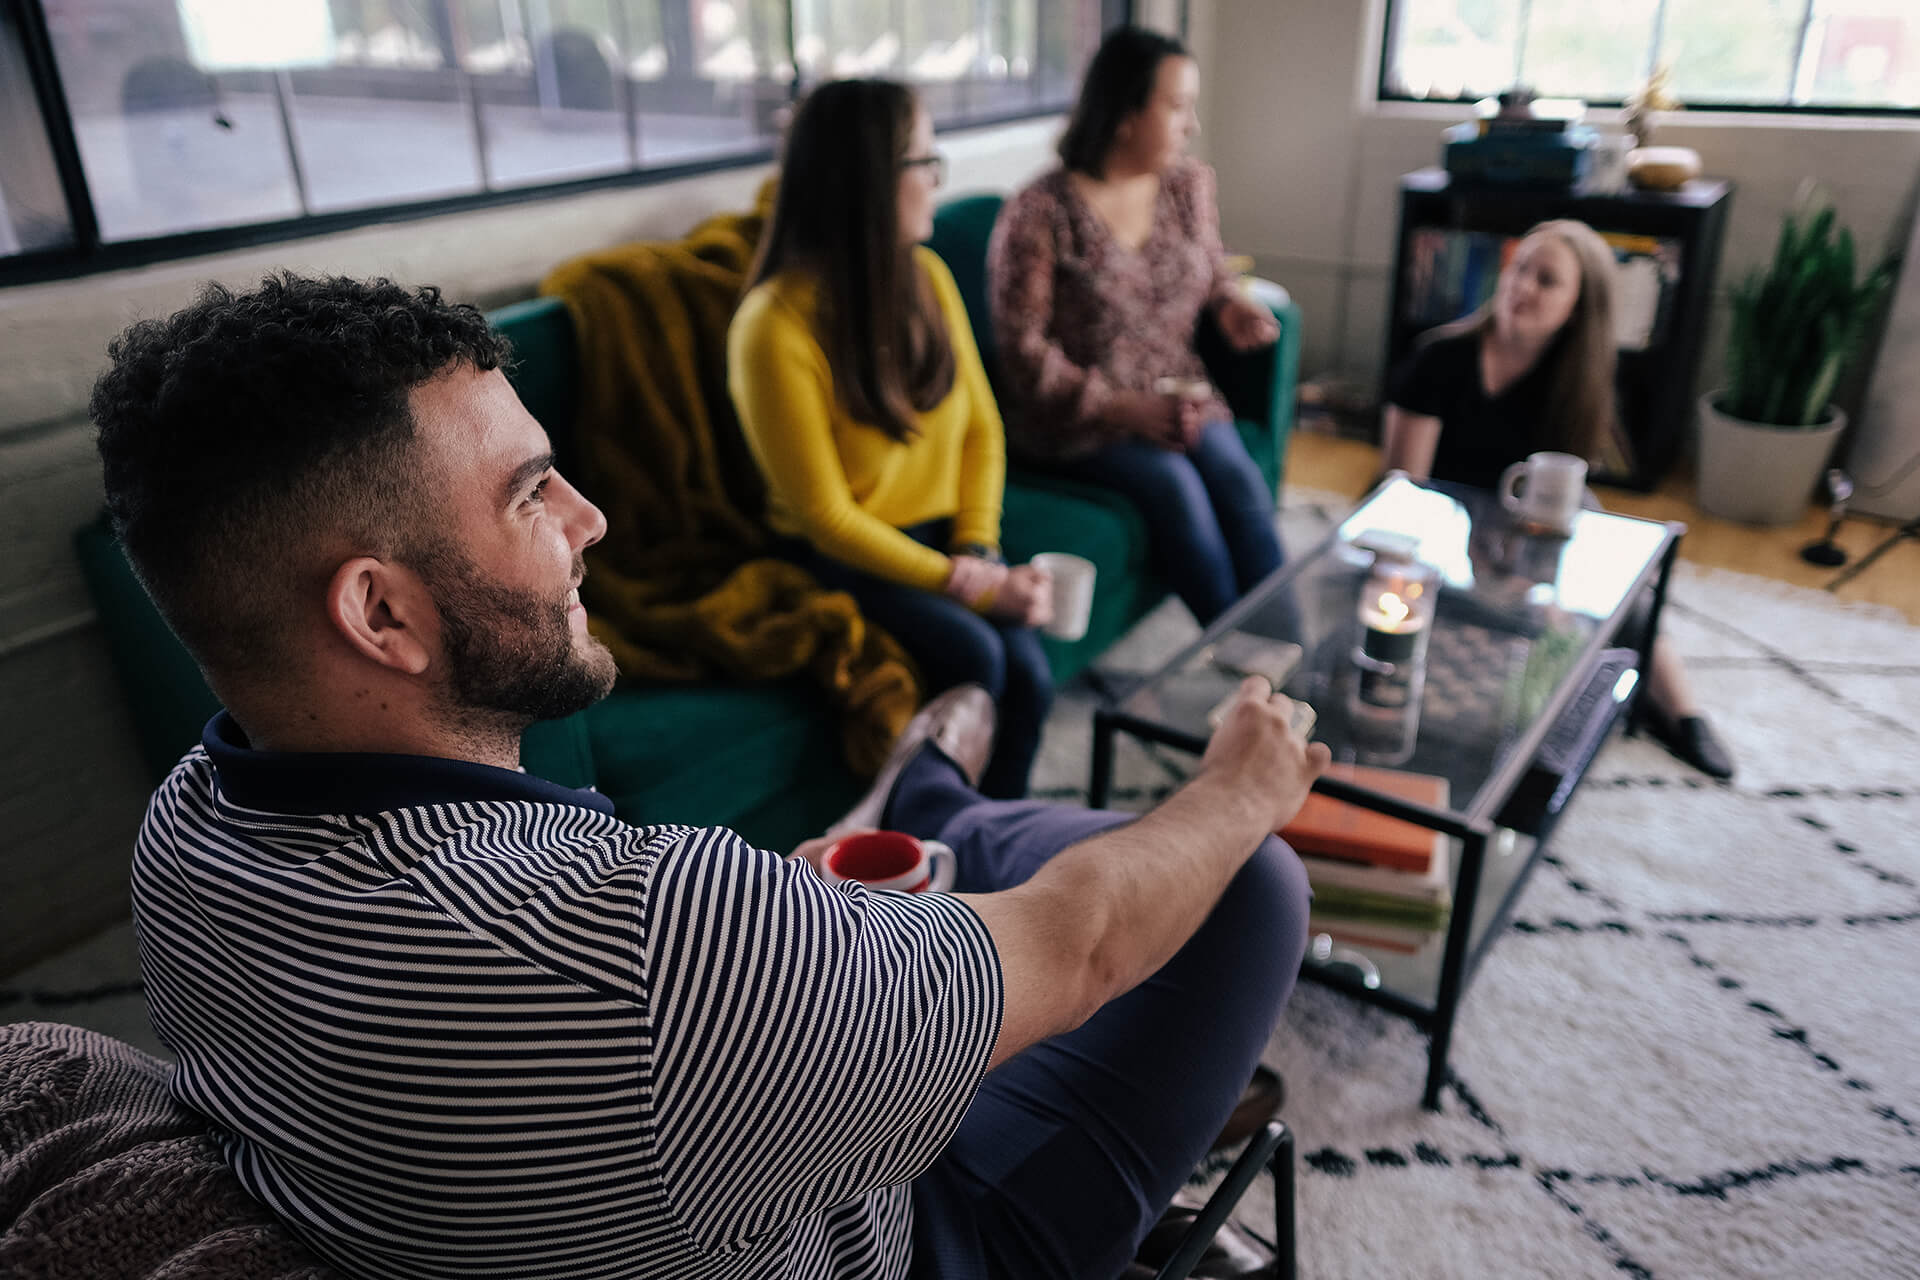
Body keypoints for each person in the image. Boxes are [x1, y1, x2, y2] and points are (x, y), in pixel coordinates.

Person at [91, 273, 1329, 1280]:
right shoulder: (654, 940)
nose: (592, 519)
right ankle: (931, 800)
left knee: (919, 869)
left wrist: (779, 954)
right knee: (1248, 885)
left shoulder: (185, 837)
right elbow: (1083, 945)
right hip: (911, 1241)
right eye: (531, 494)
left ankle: (924, 801)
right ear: (379, 611)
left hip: (633, 1171)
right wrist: (1243, 785)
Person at [729, 79, 1051, 800]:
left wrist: (977, 546)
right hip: (841, 557)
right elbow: (828, 520)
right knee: (978, 656)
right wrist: (972, 583)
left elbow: (980, 428)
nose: (939, 179)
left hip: (942, 541)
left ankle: (993, 837)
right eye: (924, 161)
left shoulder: (929, 278)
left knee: (1030, 674)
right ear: (871, 180)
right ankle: (937, 862)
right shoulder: (772, 325)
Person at [1382, 218, 1735, 779]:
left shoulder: (1577, 380)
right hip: (1445, 517)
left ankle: (1681, 711)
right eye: (1521, 268)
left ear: (1577, 305)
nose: (1523, 287)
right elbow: (1405, 486)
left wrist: (1538, 577)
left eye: (1546, 280)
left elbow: (1562, 494)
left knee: (1624, 592)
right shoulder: (1441, 358)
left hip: (1527, 524)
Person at [988, 25, 1285, 628]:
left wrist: (1230, 305)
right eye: (1176, 107)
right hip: (1077, 420)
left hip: (1181, 395)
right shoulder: (1040, 212)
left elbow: (1210, 267)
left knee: (1238, 479)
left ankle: (1297, 667)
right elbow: (1021, 352)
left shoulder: (1186, 186)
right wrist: (1122, 408)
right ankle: (1242, 662)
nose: (1191, 124)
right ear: (1124, 112)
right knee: (1177, 490)